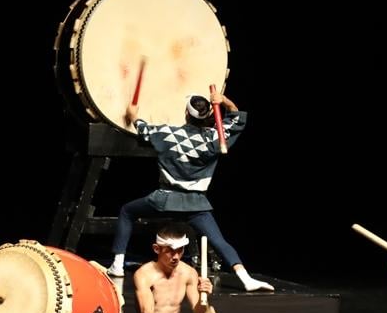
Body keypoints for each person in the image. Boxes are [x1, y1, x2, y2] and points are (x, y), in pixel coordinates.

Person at [106, 90, 274, 292]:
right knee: (218, 240)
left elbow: (142, 128)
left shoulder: (168, 134)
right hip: (196, 204)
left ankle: (117, 264)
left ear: (187, 114)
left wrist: (134, 116)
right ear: (208, 116)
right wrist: (224, 101)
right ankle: (245, 278)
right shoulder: (215, 137)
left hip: (164, 200)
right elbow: (236, 117)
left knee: (127, 211)